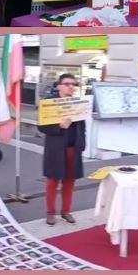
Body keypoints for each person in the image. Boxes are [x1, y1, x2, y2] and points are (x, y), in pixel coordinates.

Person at [37, 73, 86, 225]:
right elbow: (41, 127)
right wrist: (58, 126)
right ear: (59, 86)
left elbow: (83, 128)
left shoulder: (78, 103)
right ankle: (50, 213)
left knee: (69, 183)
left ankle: (66, 212)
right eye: (67, 84)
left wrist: (82, 144)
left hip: (73, 149)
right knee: (52, 182)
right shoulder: (49, 103)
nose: (71, 86)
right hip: (56, 150)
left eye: (74, 84)